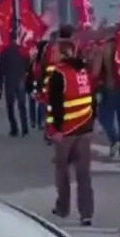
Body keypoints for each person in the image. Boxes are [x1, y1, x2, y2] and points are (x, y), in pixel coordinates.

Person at [46, 36, 97, 226]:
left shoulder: (59, 74)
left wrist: (55, 129)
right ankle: (87, 213)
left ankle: (63, 207)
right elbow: (92, 98)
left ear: (62, 53)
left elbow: (55, 105)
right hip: (84, 127)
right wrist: (91, 121)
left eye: (56, 50)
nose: (53, 53)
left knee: (62, 171)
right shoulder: (83, 70)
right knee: (84, 174)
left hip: (66, 130)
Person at [98, 35, 120, 159]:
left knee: (105, 115)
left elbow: (98, 70)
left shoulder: (106, 47)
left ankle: (115, 139)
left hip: (109, 86)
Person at [0, 32, 31, 137]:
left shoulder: (4, 50)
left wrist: (0, 84)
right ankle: (25, 128)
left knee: (10, 106)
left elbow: (1, 69)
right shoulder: (22, 49)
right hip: (20, 78)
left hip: (9, 80)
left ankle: (14, 128)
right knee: (22, 105)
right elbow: (28, 63)